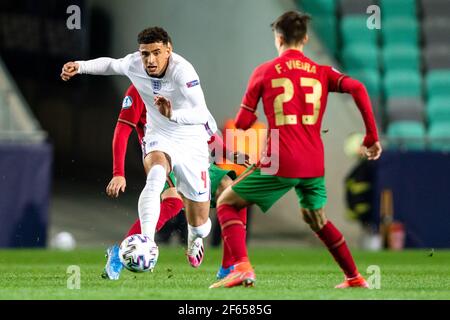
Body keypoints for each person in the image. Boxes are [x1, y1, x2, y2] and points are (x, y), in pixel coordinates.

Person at [209, 11, 382, 289]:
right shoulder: (322, 72)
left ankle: (241, 267)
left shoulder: (264, 71)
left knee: (227, 201)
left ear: (278, 38)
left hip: (282, 157)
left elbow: (242, 123)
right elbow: (359, 88)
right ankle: (354, 277)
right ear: (305, 39)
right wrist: (371, 137)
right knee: (316, 219)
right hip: (314, 160)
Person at [61, 27, 217, 269]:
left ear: (169, 50)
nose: (151, 60)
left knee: (200, 223)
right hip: (160, 135)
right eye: (145, 54)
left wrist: (172, 114)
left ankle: (195, 238)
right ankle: (146, 241)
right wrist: (79, 66)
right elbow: (110, 65)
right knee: (155, 174)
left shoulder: (183, 72)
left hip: (190, 138)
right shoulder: (135, 65)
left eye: (156, 53)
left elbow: (200, 112)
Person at [101, 84, 249, 280]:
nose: (151, 61)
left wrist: (229, 154)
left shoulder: (184, 84)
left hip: (193, 156)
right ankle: (119, 255)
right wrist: (118, 172)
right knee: (173, 202)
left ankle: (229, 265)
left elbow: (204, 127)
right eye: (147, 55)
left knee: (233, 193)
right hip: (162, 154)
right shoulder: (137, 89)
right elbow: (122, 130)